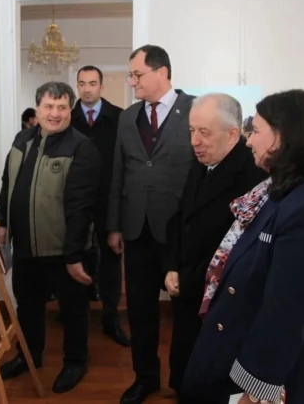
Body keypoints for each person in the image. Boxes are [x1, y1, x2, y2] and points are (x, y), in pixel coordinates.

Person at [180, 89, 304, 404]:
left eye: (256, 131)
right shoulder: (278, 192)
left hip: (281, 376)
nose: (249, 140)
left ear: (283, 138)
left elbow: (286, 312)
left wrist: (255, 390)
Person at [0, 81, 101, 393]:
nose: (55, 114)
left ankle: (75, 362)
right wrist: (3, 222)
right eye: (48, 107)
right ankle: (28, 356)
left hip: (62, 251)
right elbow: (7, 183)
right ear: (37, 109)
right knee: (27, 307)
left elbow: (82, 208)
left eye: (62, 107)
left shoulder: (83, 148)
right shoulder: (21, 141)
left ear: (70, 109)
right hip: (25, 247)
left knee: (73, 311)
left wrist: (73, 257)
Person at [107, 45, 195, 404]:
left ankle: (183, 379)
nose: (131, 82)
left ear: (162, 72)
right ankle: (145, 378)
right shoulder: (127, 119)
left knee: (186, 313)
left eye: (137, 75)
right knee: (141, 311)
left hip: (181, 232)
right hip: (137, 230)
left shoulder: (194, 110)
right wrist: (114, 225)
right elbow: (118, 174)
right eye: (130, 75)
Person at [163, 93, 266, 396]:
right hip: (185, 286)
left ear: (233, 134)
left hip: (219, 298)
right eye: (192, 131)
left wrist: (189, 275)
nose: (195, 140)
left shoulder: (254, 175)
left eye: (204, 132)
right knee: (187, 376)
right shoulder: (202, 161)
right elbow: (180, 218)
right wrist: (169, 266)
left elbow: (238, 247)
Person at [71, 64, 130, 347]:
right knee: (76, 259)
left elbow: (125, 166)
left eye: (92, 83)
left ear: (101, 86)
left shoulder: (120, 118)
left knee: (110, 264)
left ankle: (111, 320)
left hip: (110, 203)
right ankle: (75, 318)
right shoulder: (67, 119)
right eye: (82, 83)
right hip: (77, 204)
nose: (87, 88)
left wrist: (118, 219)